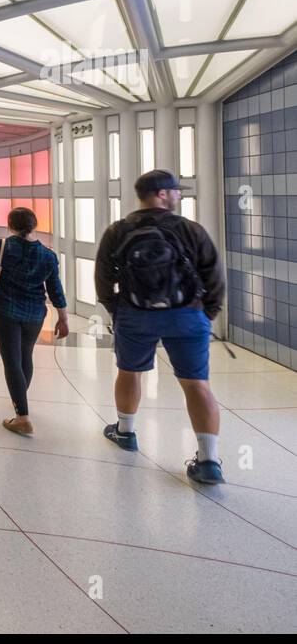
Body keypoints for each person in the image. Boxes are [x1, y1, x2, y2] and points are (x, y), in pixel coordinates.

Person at [95, 170, 227, 484]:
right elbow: (214, 274)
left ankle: (125, 432)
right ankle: (208, 461)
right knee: (196, 383)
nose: (179, 195)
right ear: (162, 194)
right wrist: (207, 312)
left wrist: (118, 309)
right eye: (175, 191)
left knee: (130, 372)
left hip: (135, 315)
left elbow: (103, 277)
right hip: (187, 315)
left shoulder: (118, 230)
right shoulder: (190, 229)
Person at [0, 207, 69, 435]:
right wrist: (63, 318)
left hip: (5, 311)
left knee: (11, 360)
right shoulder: (48, 255)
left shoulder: (0, 246)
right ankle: (20, 397)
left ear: (10, 226)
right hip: (34, 314)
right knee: (25, 356)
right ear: (35, 226)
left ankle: (22, 416)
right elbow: (55, 291)